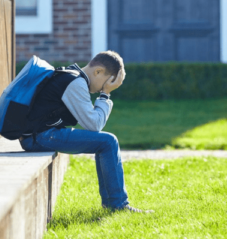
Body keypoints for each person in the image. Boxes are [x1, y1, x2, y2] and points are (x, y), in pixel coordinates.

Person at [19, 50, 153, 213]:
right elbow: (94, 124)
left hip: (39, 135)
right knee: (108, 141)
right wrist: (105, 95)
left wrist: (104, 91)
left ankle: (114, 204)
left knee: (105, 142)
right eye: (105, 83)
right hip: (40, 137)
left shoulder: (72, 76)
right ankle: (117, 205)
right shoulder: (75, 82)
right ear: (98, 72)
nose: (101, 89)